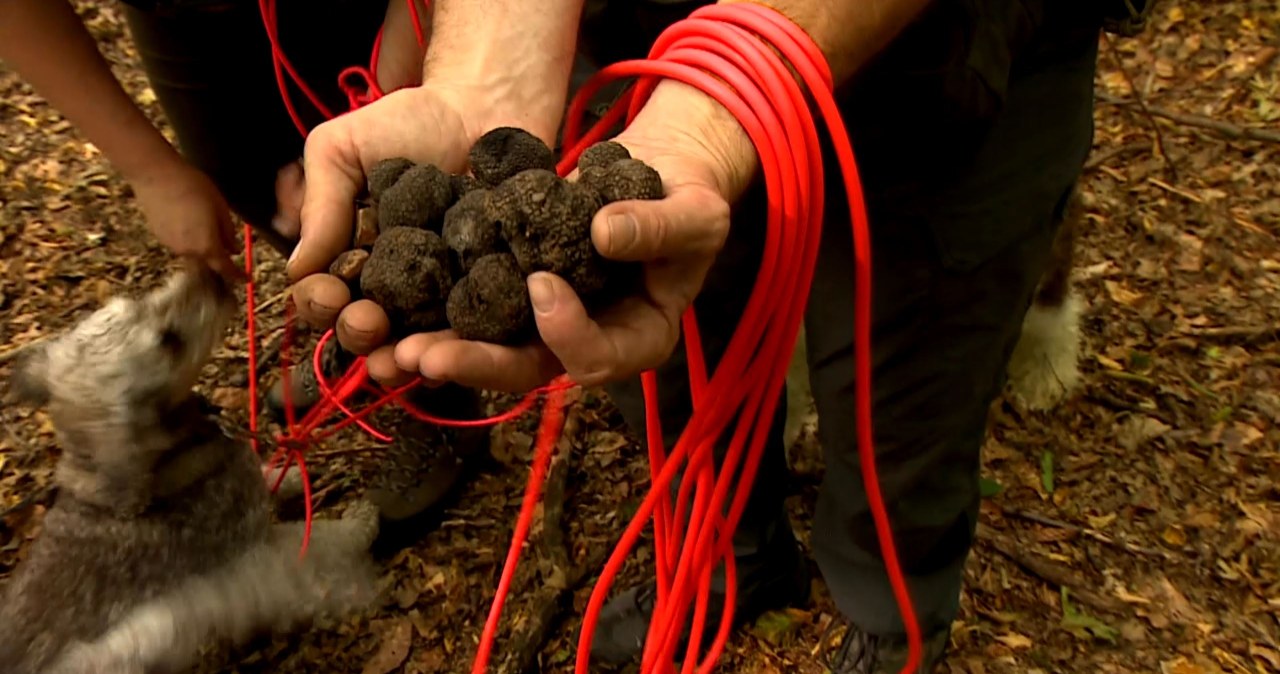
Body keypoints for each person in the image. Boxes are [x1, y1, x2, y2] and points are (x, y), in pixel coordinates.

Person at [285, 1, 1153, 672]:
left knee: (911, 397)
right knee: (668, 359)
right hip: (639, 57)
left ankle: (893, 616)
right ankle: (731, 566)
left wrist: (722, 101)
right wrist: (489, 69)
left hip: (956, 69)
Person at [0, 0, 491, 536]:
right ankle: (360, 333)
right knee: (268, 190)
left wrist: (412, 23)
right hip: (187, 19)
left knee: (388, 180)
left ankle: (441, 404)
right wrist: (151, 170)